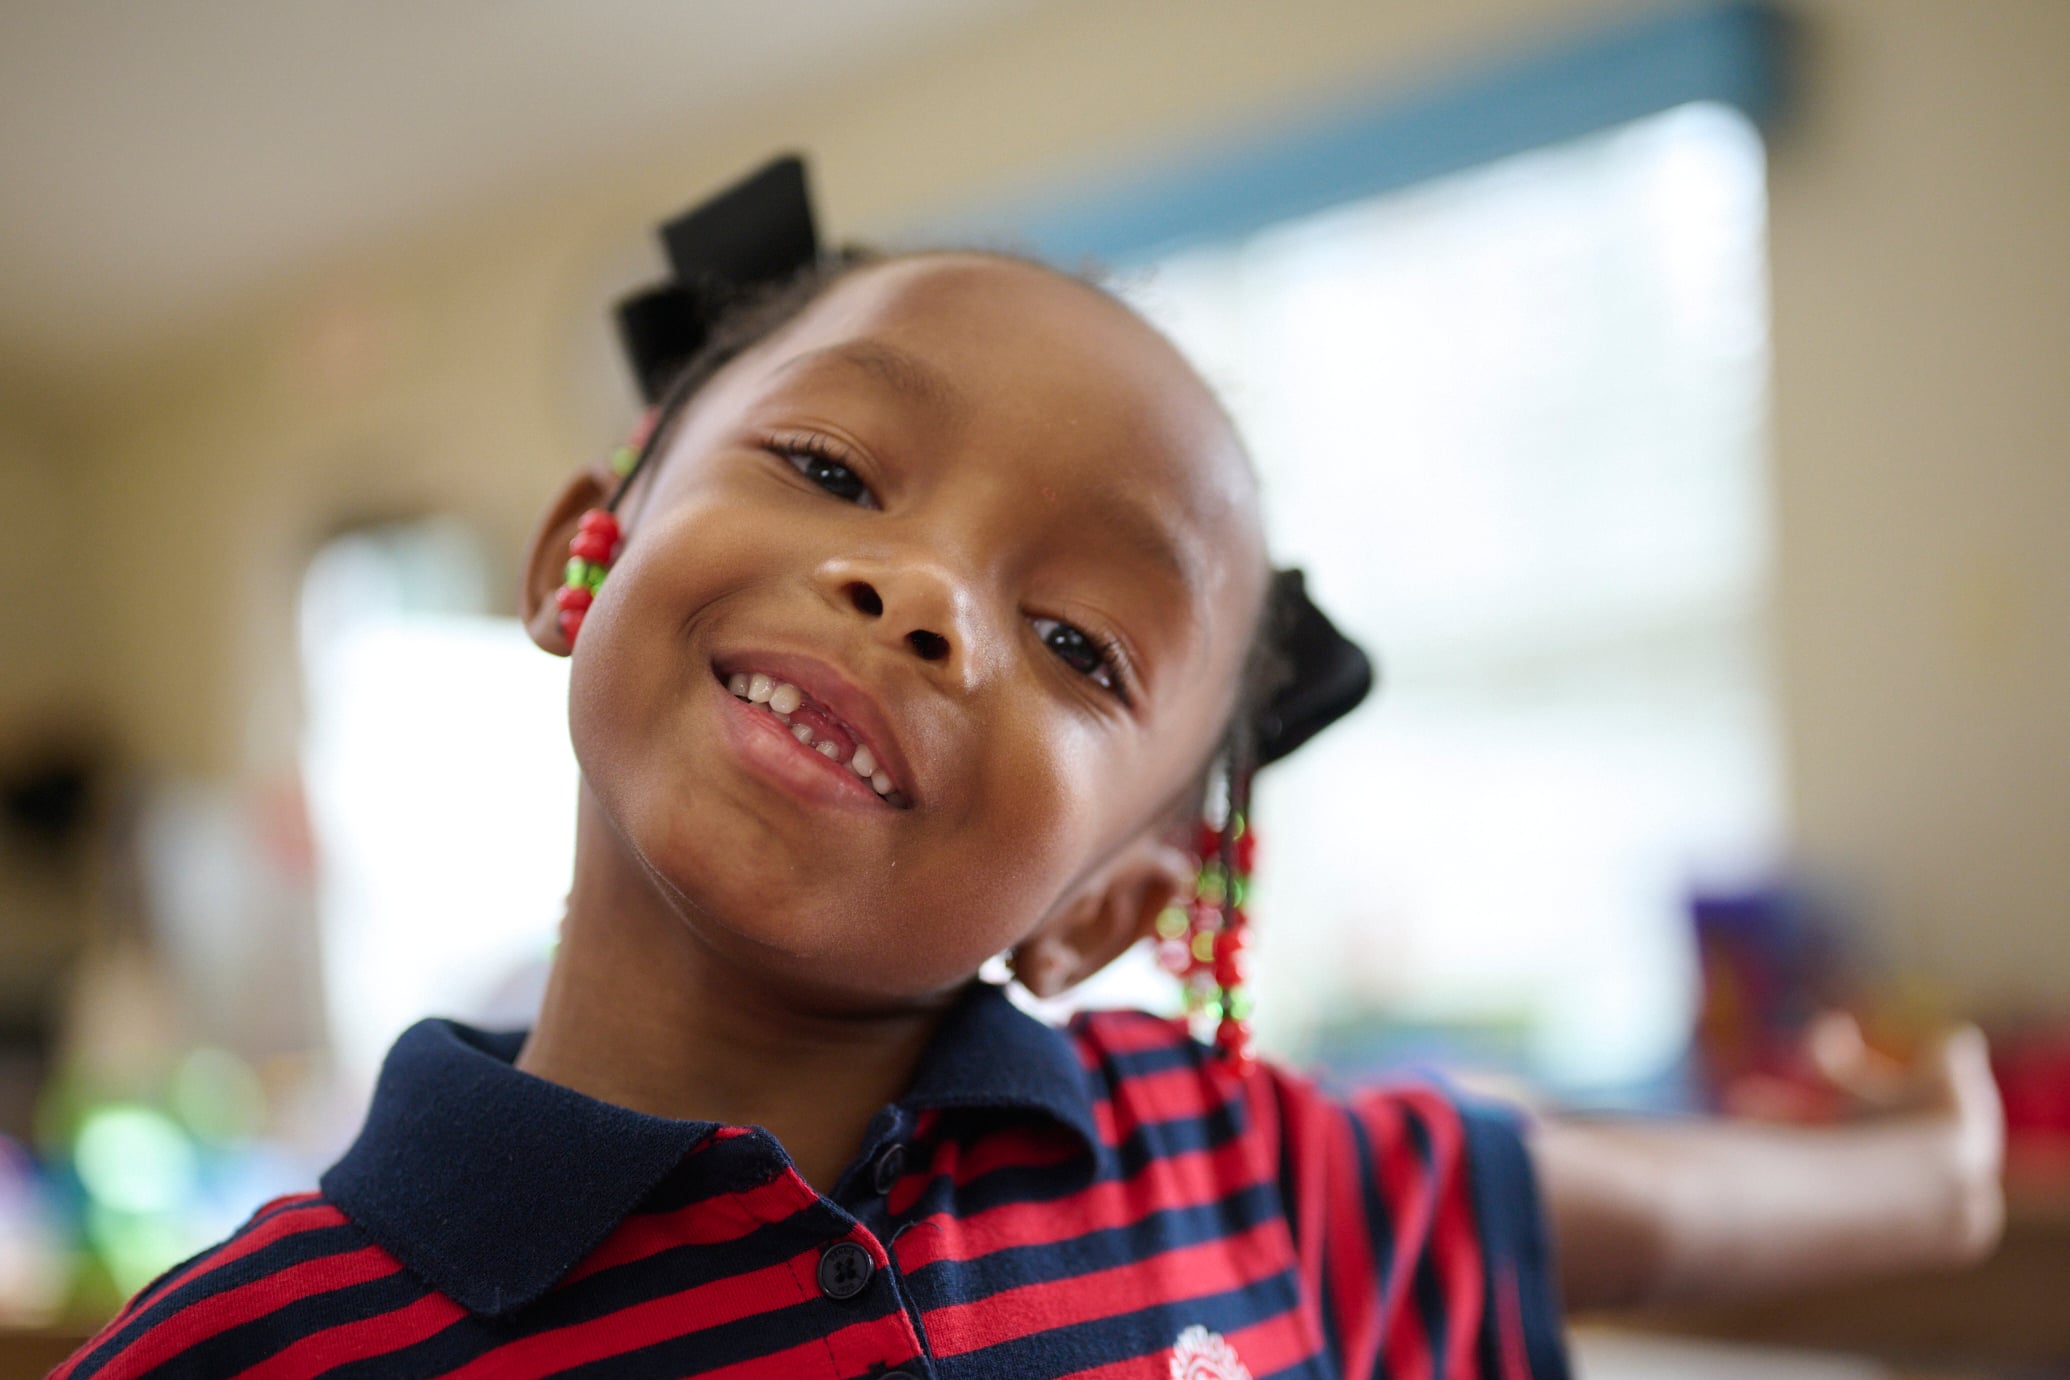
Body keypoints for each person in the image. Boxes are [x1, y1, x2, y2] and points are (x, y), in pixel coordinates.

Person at [59, 161, 2001, 1380]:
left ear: (1112, 907)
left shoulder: (1229, 1160)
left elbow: (1667, 1217)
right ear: (589, 556)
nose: (919, 597)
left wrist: (1936, 1161)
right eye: (830, 471)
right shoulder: (244, 1351)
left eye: (1078, 643)